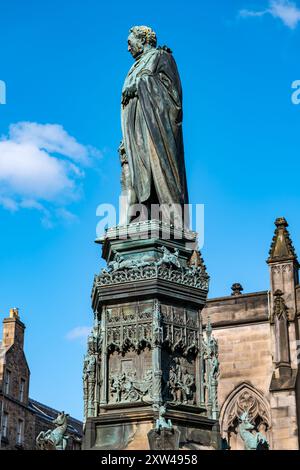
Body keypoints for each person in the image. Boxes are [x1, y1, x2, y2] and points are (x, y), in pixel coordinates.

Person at [121, 26, 189, 227]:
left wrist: (141, 84)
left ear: (142, 39)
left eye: (129, 41)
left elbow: (173, 97)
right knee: (136, 173)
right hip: (135, 131)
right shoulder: (136, 65)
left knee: (156, 167)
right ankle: (141, 213)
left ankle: (168, 218)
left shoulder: (161, 57)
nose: (128, 48)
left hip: (155, 130)